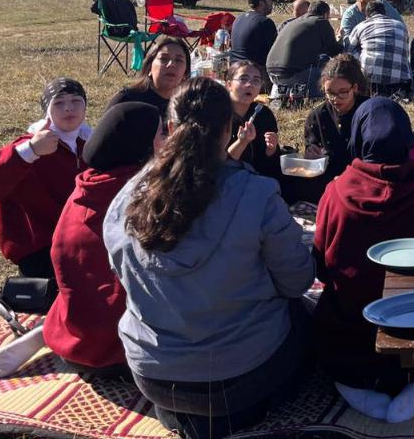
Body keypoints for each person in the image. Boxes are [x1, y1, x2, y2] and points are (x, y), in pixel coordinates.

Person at [104, 78, 314, 439]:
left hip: (152, 375)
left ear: (170, 127)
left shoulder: (130, 194)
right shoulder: (256, 193)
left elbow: (120, 271)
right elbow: (297, 281)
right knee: (303, 317)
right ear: (228, 129)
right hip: (241, 378)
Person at [312, 98, 414, 423]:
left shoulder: (337, 192)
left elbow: (320, 264)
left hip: (354, 325)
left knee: (325, 320)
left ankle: (359, 386)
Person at [45, 101, 164, 377]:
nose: (167, 141)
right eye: (161, 134)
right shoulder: (139, 196)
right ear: (141, 146)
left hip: (70, 335)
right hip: (116, 349)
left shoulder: (88, 184)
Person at [0, 78, 92, 279]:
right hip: (41, 247)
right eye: (59, 102)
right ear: (47, 111)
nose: (68, 108)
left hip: (84, 239)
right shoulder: (32, 145)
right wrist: (30, 151)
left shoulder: (91, 143)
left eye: (76, 101)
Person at [283, 55, 370, 205]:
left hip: (361, 176)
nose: (336, 98)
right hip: (329, 176)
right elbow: (312, 146)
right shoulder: (318, 116)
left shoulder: (368, 110)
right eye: (330, 93)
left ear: (355, 88)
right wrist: (312, 153)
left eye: (343, 92)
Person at [266, 0, 341, 99]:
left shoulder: (292, 22)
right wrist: (340, 40)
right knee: (326, 71)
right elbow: (334, 52)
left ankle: (280, 96)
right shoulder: (321, 22)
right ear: (326, 14)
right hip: (293, 73)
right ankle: (311, 97)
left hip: (271, 71)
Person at [225, 61, 284, 188]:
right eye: (243, 79)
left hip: (257, 181)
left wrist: (271, 150)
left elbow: (270, 167)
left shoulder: (263, 114)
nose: (250, 85)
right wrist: (241, 143)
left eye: (256, 81)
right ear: (229, 85)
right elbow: (219, 166)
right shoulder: (218, 115)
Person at [107, 36, 191, 115]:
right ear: (149, 67)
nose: (171, 64)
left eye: (178, 60)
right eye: (163, 58)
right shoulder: (126, 100)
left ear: (185, 72)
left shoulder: (188, 106)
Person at [348, 2, 412, 96]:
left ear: (366, 15)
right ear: (384, 13)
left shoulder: (360, 26)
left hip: (371, 83)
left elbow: (349, 52)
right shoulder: (401, 26)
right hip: (399, 82)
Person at [229, 0, 277, 73]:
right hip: (254, 71)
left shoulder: (239, 18)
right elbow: (275, 52)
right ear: (262, 3)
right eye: (269, 0)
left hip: (234, 68)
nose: (272, 3)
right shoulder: (265, 22)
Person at [340, 0, 404, 44]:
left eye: (369, 4)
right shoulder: (350, 15)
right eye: (363, 3)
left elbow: (400, 26)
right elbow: (347, 40)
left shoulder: (382, 5)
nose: (366, 7)